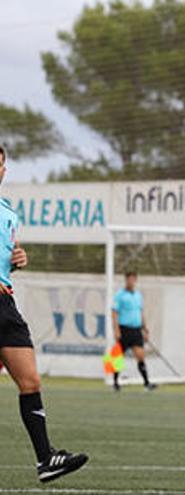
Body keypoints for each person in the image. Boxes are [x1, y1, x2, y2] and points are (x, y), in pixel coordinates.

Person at [0, 144, 89, 482]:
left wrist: (16, 260)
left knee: (30, 381)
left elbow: (6, 258)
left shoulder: (8, 212)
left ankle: (46, 459)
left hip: (5, 303)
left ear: (4, 170)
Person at [112, 271, 156, 391]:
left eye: (133, 279)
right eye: (128, 279)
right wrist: (116, 330)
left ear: (135, 280)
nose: (130, 281)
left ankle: (146, 383)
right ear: (126, 280)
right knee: (118, 356)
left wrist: (145, 329)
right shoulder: (119, 295)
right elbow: (114, 313)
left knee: (141, 356)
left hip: (136, 330)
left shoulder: (138, 295)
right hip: (124, 329)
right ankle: (115, 382)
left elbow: (141, 312)